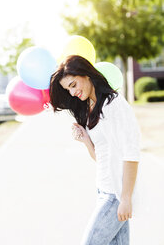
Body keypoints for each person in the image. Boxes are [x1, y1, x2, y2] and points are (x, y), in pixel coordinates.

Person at [49, 55, 141, 245]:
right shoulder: (92, 108)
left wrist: (125, 198)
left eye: (73, 85)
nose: (72, 92)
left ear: (86, 74)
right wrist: (86, 140)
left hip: (115, 194)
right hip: (103, 190)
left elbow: (131, 154)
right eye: (68, 89)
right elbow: (102, 157)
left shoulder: (115, 104)